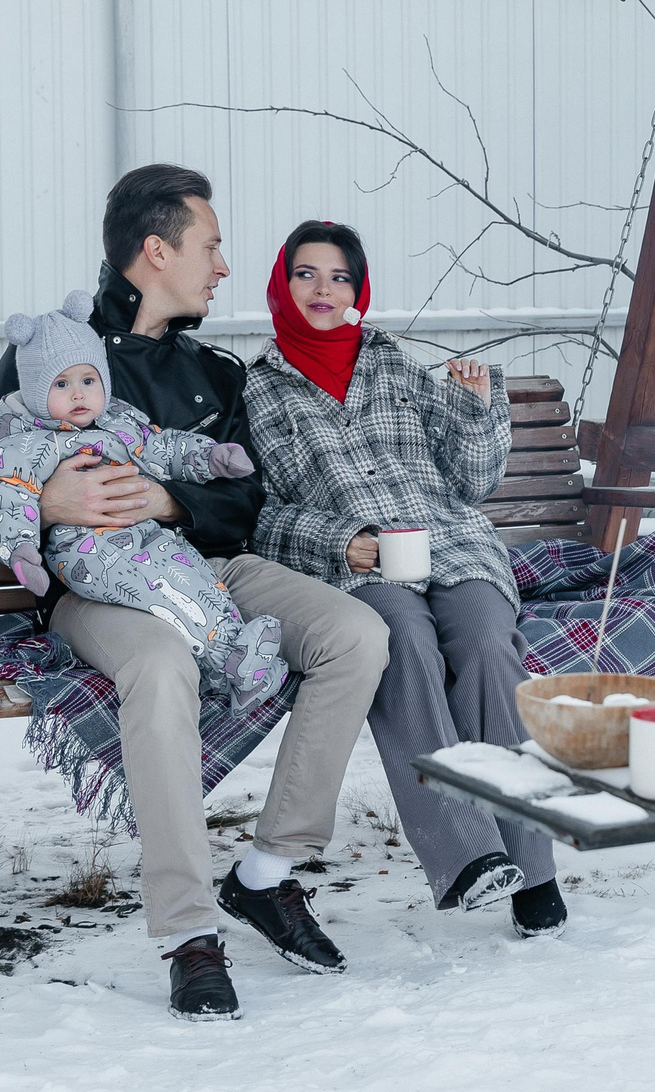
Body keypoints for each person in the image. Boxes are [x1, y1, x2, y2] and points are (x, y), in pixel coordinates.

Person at [0, 167, 391, 1021]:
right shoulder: (51, 351)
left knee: (356, 633)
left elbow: (249, 497)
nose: (224, 265)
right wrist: (47, 503)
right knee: (161, 667)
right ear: (157, 252)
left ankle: (267, 874)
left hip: (213, 569)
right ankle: (189, 934)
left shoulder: (214, 372)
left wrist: (170, 498)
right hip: (104, 590)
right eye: (211, 245)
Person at [242, 219, 568, 939]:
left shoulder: (397, 364)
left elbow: (472, 482)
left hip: (451, 544)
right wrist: (342, 541)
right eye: (306, 274)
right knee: (406, 648)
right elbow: (257, 517)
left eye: (338, 277)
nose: (322, 289)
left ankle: (532, 863)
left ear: (358, 290)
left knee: (486, 646)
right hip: (359, 564)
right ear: (281, 283)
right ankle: (469, 852)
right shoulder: (258, 390)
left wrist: (475, 409)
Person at [0, 291, 284, 707]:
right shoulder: (27, 444)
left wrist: (209, 457)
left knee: (195, 579)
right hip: (84, 549)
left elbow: (160, 448)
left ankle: (237, 661)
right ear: (34, 390)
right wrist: (21, 551)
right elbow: (7, 495)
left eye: (88, 381)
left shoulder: (118, 419)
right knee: (160, 591)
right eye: (61, 384)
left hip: (143, 533)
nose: (78, 395)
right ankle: (230, 661)